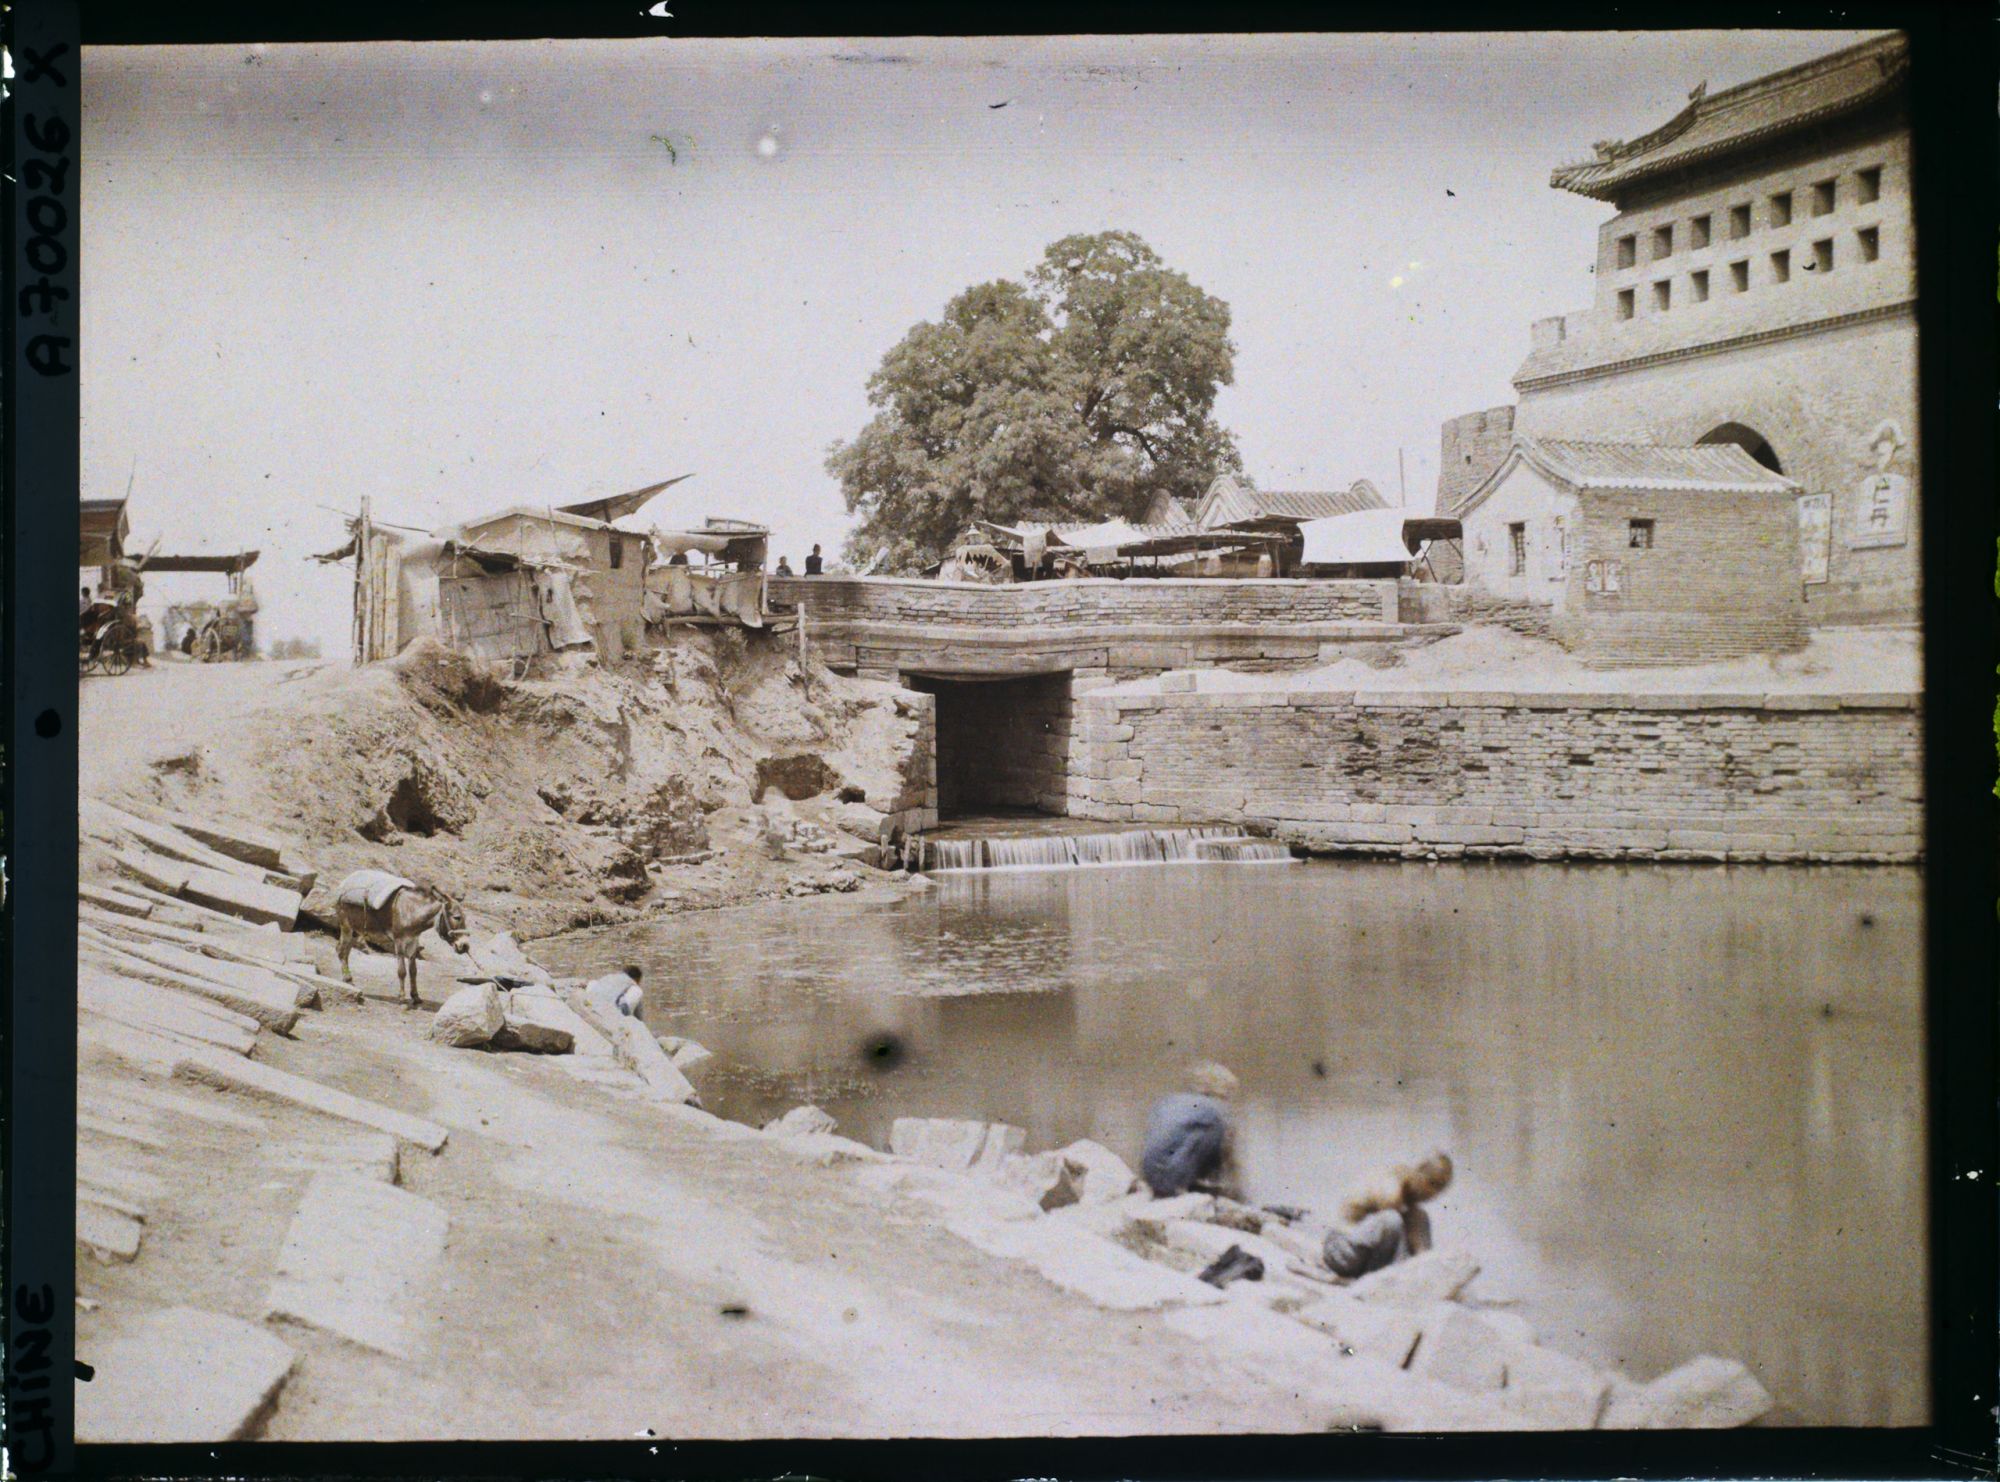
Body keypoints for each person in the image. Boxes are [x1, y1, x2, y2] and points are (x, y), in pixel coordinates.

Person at [1320, 1150, 1454, 1279]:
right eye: (1432, 1183)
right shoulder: (1392, 1187)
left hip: (1363, 1254)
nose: (1434, 1193)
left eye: (1441, 1188)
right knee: (1392, 1220)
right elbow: (1392, 1234)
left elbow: (1418, 1242)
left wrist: (1426, 1261)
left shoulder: (1411, 1205)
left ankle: (1426, 1275)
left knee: (1419, 1217)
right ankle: (1384, 1281)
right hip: (1342, 1249)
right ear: (1418, 1172)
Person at [1140, 1061, 1242, 1199]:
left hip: (1149, 1174)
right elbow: (1227, 1158)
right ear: (1221, 1089)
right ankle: (1181, 1187)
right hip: (1171, 1178)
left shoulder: (1171, 1100)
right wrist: (1236, 1188)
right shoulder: (1215, 1110)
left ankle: (1180, 1184)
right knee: (1216, 1130)